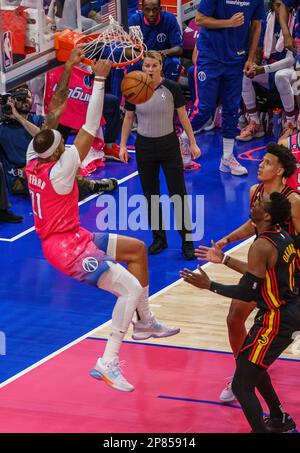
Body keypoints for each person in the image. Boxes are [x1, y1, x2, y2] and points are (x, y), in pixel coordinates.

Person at [26, 49, 179, 393]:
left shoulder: (33, 156)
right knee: (128, 289)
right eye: (62, 144)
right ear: (55, 151)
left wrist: (68, 68)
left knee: (137, 250)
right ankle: (108, 362)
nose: (66, 144)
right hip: (66, 248)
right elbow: (90, 126)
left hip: (69, 235)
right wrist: (97, 79)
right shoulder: (61, 170)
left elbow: (54, 112)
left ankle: (145, 322)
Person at [180, 192, 300, 433]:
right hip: (288, 310)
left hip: (276, 319)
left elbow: (248, 291)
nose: (254, 204)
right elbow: (258, 272)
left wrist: (210, 285)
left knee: (241, 385)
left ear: (266, 215)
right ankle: (278, 418)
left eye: (259, 204)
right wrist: (224, 259)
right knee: (252, 366)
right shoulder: (281, 236)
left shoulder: (261, 245)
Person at [199, 143, 300, 403]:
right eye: (262, 160)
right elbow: (251, 224)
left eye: (266, 162)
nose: (260, 164)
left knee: (283, 324)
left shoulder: (293, 201)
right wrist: (226, 240)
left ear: (279, 171)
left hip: (289, 276)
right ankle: (241, 374)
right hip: (260, 271)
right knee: (234, 318)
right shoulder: (255, 192)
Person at [119, 51, 201, 260]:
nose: (150, 69)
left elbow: (183, 116)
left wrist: (192, 142)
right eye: (147, 65)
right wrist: (121, 146)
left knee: (178, 194)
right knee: (150, 195)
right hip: (144, 147)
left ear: (161, 66)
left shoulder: (172, 88)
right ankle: (159, 238)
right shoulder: (133, 87)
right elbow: (128, 118)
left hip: (168, 145)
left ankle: (187, 242)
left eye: (154, 65)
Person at [189, 0, 264, 176]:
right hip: (210, 56)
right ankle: (183, 140)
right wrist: (228, 23)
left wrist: (250, 58)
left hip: (236, 58)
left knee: (232, 109)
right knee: (204, 108)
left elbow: (256, 27)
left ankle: (228, 158)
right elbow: (199, 19)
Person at [0, 86, 117, 197]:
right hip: (20, 178)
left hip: (43, 168)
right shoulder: (2, 129)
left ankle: (92, 185)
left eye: (28, 97)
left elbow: (42, 136)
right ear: (12, 101)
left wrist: (18, 118)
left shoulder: (38, 119)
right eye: (20, 98)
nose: (25, 101)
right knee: (61, 181)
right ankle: (93, 186)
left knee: (64, 175)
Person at [236, 1, 297, 142]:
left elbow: (291, 61)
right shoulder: (266, 20)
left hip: (293, 71)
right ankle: (255, 123)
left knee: (281, 76)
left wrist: (263, 69)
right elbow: (258, 49)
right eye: (276, 5)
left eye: (282, 6)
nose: (279, 9)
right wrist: (252, 63)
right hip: (269, 68)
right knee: (246, 75)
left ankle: (290, 124)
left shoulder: (295, 21)